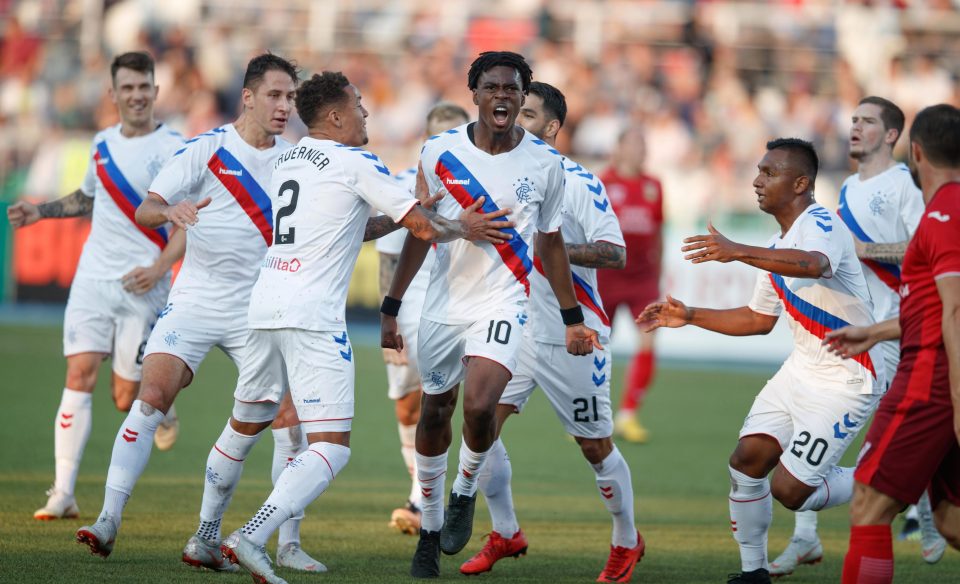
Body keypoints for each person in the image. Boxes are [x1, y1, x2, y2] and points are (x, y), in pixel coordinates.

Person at [208, 71, 514, 584]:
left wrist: (406, 218)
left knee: (248, 422)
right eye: (358, 106)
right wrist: (464, 226)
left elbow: (355, 225)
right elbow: (423, 225)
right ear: (335, 116)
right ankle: (251, 536)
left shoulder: (289, 156)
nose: (366, 115)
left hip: (263, 305)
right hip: (310, 315)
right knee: (331, 446)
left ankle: (205, 531)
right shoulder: (356, 161)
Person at [73, 54, 320, 573]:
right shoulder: (205, 149)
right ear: (248, 97)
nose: (284, 107)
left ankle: (221, 536)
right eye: (275, 96)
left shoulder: (299, 159)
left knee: (281, 421)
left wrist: (400, 222)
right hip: (196, 299)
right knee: (153, 396)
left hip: (259, 309)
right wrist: (170, 211)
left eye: (291, 97)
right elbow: (148, 206)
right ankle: (107, 520)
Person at [381, 51, 601, 579]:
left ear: (523, 97)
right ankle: (430, 531)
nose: (503, 95)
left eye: (513, 88)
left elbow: (550, 245)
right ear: (474, 94)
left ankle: (463, 493)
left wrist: (573, 318)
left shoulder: (546, 163)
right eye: (492, 86)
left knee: (480, 408)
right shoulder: (438, 152)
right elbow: (421, 228)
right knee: (437, 411)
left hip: (504, 301)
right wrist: (392, 307)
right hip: (443, 306)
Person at [639, 139, 886, 584]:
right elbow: (757, 320)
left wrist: (737, 250)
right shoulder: (776, 243)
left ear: (801, 183)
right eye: (758, 170)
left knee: (791, 492)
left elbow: (813, 265)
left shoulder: (822, 223)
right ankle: (754, 573)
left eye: (769, 173)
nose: (756, 180)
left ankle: (896, 479)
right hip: (799, 373)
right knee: (746, 461)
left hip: (846, 378)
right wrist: (690, 315)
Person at [459, 81, 644, 583]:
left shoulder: (579, 183)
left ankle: (627, 539)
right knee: (480, 425)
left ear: (553, 128)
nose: (517, 117)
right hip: (514, 329)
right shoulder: (501, 174)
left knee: (594, 445)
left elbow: (615, 253)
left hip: (572, 332)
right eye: (518, 109)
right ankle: (506, 531)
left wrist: (552, 251)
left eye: (531, 113)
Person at [6, 51, 185, 521]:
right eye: (127, 87)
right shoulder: (102, 144)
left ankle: (164, 409)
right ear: (113, 94)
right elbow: (88, 196)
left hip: (144, 287)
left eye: (144, 86)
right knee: (78, 375)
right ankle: (63, 492)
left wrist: (160, 266)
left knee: (125, 398)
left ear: (156, 90)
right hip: (92, 280)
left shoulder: (175, 148)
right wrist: (39, 211)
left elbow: (190, 221)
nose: (137, 95)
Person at [770, 97, 945, 576]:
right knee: (816, 437)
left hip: (891, 332)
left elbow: (922, 245)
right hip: (851, 327)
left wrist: (864, 248)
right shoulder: (846, 187)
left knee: (873, 444)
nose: (855, 128)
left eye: (868, 122)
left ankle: (924, 509)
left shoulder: (903, 184)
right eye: (853, 120)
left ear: (891, 136)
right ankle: (805, 537)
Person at [834, 103, 960, 584]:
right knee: (949, 519)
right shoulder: (943, 211)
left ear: (915, 151)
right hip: (930, 366)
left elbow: (954, 312)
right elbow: (933, 310)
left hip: (932, 378)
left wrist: (956, 399)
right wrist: (877, 331)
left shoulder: (944, 213)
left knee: (868, 501)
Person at [378, 102, 471, 535]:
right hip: (414, 309)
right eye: (444, 137)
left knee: (462, 402)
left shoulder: (484, 186)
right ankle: (422, 485)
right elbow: (388, 261)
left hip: (467, 305)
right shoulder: (400, 187)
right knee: (409, 405)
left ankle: (425, 500)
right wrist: (388, 325)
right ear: (429, 142)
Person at [596, 127, 664, 443]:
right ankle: (590, 413)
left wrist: (658, 273)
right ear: (619, 148)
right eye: (634, 143)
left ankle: (628, 414)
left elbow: (658, 231)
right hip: (606, 276)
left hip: (642, 279)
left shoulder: (654, 187)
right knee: (595, 345)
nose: (640, 150)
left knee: (649, 341)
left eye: (643, 144)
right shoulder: (601, 183)